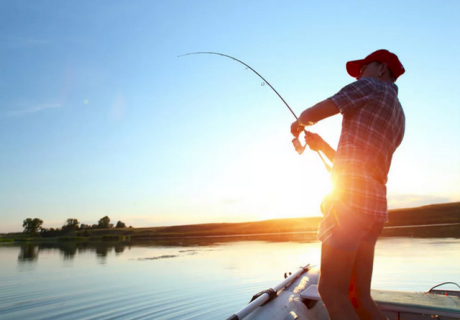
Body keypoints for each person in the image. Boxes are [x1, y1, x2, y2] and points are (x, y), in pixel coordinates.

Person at [291, 49, 406, 320]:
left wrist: (299, 122)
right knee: (361, 297)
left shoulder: (369, 85)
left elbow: (315, 112)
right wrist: (323, 146)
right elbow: (359, 163)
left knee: (331, 292)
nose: (358, 75)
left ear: (380, 69)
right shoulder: (399, 115)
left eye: (362, 68)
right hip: (374, 210)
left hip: (349, 207)